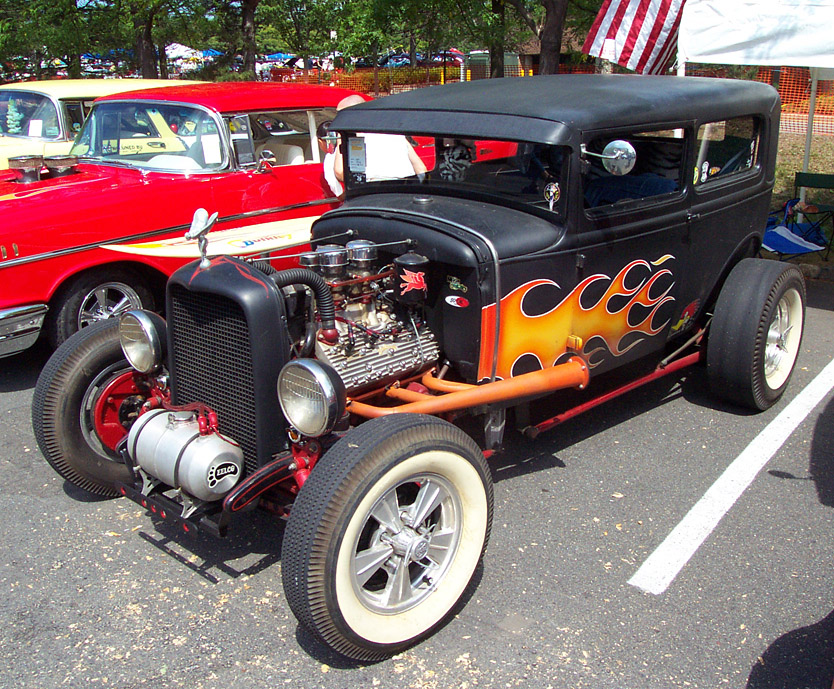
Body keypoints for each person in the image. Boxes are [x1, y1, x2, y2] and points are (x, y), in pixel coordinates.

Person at [327, 94, 426, 190]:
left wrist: (341, 136)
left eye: (341, 116)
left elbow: (340, 172)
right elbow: (420, 168)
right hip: (407, 188)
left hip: (377, 191)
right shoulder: (393, 132)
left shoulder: (356, 138)